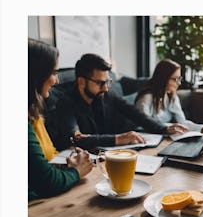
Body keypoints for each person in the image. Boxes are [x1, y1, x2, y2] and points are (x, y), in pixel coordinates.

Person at [52, 54, 187, 151]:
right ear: (81, 81)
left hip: (110, 155)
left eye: (108, 82)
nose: (105, 87)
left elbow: (136, 114)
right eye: (100, 83)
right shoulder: (66, 103)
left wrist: (163, 128)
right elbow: (77, 139)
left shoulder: (107, 95)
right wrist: (118, 139)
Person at [28, 38, 94, 201]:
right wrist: (77, 171)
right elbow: (48, 183)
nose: (57, 80)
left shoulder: (32, 112)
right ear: (36, 74)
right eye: (54, 73)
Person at [135, 59, 203, 134]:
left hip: (165, 136)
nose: (179, 83)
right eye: (175, 79)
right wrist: (168, 128)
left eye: (179, 79)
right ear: (163, 79)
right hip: (150, 138)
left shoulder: (171, 96)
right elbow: (143, 125)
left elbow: (182, 122)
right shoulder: (146, 98)